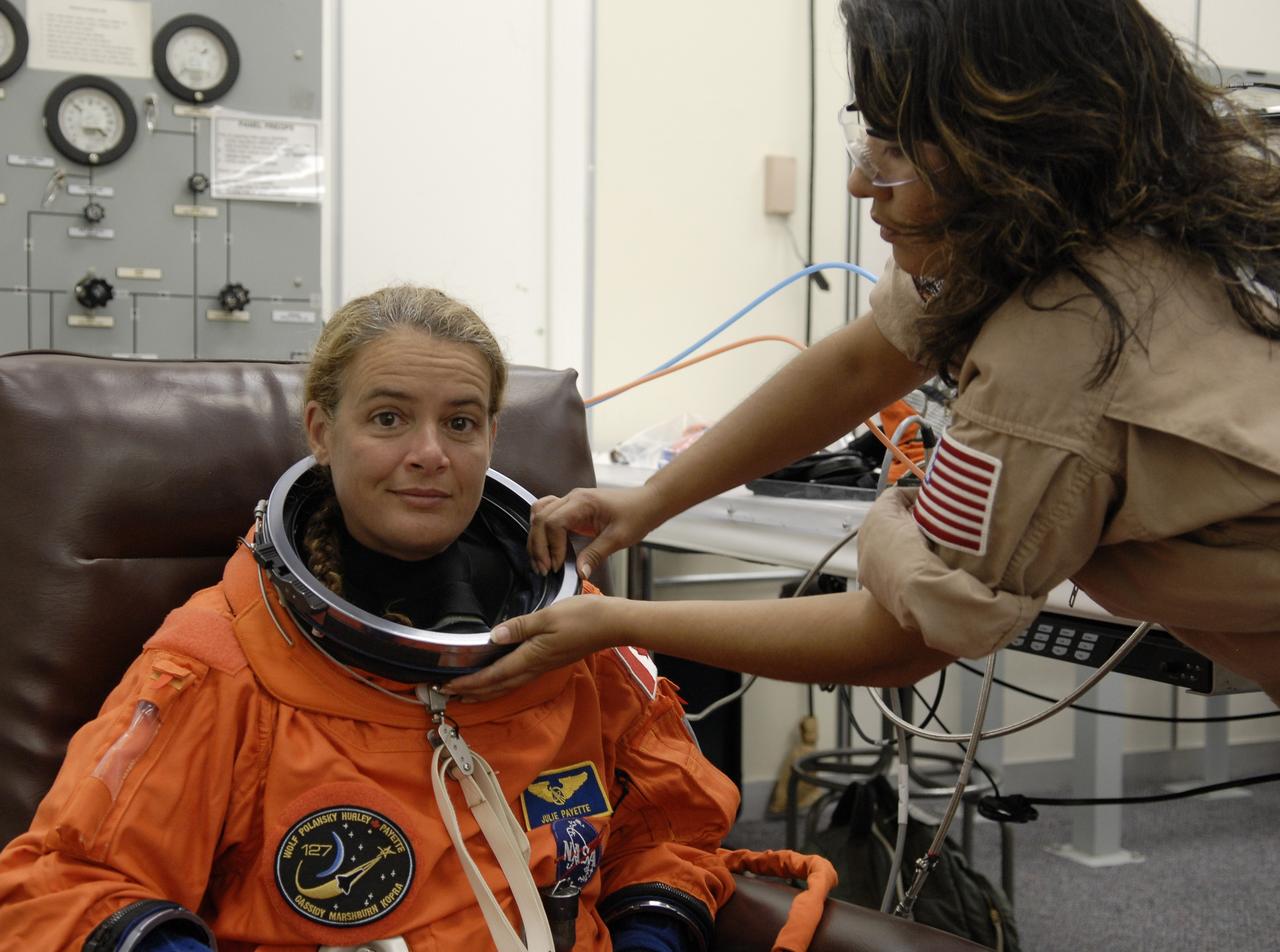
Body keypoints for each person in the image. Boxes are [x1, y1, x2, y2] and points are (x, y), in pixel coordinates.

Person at [445, 0, 1280, 708]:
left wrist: (620, 624)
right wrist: (651, 502)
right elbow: (864, 360)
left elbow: (902, 638)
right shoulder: (1106, 223)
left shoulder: (1065, 336)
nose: (858, 188)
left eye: (892, 157)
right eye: (867, 143)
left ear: (1010, 146)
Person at [0, 286, 744, 951]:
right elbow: (67, 885)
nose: (430, 453)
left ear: (491, 437)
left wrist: (651, 934)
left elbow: (674, 826)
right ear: (321, 432)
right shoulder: (219, 662)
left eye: (461, 423)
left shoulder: (575, 639)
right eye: (389, 418)